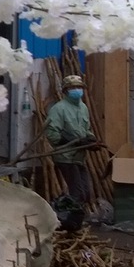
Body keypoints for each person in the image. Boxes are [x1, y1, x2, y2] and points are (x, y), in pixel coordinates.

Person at [43, 77, 94, 208]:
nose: (77, 90)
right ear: (65, 91)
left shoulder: (83, 108)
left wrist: (91, 140)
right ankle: (69, 219)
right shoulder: (59, 109)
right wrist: (72, 141)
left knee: (86, 193)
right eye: (72, 88)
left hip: (79, 157)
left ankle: (72, 217)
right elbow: (52, 134)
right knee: (77, 193)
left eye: (79, 87)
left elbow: (86, 129)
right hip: (65, 157)